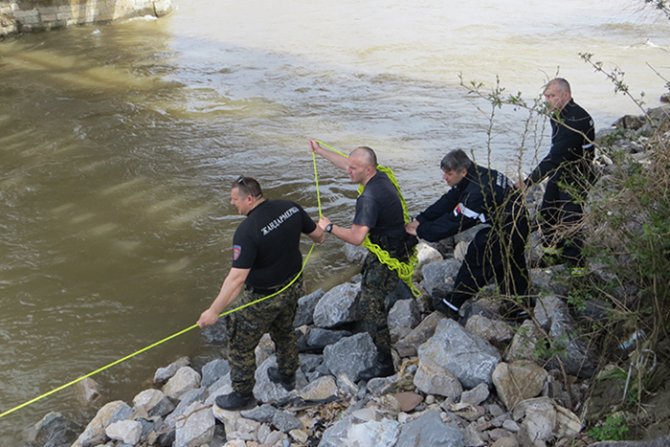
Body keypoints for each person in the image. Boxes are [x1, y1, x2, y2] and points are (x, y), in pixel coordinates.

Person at [197, 176, 325, 410]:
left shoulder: (246, 231)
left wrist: (213, 311)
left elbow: (237, 278)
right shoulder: (291, 208)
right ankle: (287, 374)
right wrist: (323, 225)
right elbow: (318, 236)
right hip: (292, 286)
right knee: (284, 330)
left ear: (249, 198)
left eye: (234, 199)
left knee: (240, 344)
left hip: (262, 297)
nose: (231, 203)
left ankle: (243, 395)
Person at [310, 140, 414, 379]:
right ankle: (397, 292)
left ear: (367, 170)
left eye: (353, 169)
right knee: (370, 279)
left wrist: (329, 227)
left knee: (369, 306)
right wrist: (320, 151)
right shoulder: (382, 177)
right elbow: (349, 163)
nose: (348, 171)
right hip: (392, 246)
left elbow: (356, 237)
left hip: (389, 254)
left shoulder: (368, 197)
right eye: (349, 166)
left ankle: (384, 362)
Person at [405, 149, 530, 319]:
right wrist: (422, 219)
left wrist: (421, 231)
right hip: (517, 225)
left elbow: (455, 222)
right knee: (509, 263)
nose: (444, 178)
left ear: (462, 171)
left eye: (448, 174)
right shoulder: (478, 175)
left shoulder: (478, 191)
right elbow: (449, 201)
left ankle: (452, 304)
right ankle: (519, 306)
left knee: (480, 255)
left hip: (510, 228)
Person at [520, 78, 595, 268]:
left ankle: (575, 267)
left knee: (571, 222)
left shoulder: (576, 119)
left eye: (552, 96)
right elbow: (557, 154)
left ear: (566, 95)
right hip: (561, 169)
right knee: (547, 214)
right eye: (546, 96)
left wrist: (528, 182)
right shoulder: (557, 115)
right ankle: (552, 256)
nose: (547, 100)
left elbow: (554, 156)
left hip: (577, 173)